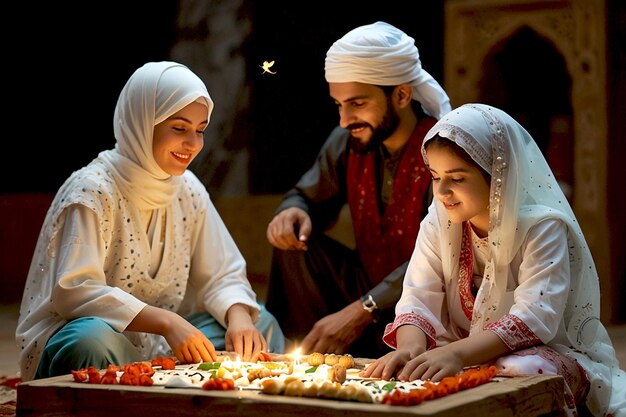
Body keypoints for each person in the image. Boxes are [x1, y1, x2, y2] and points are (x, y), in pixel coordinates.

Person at [15, 61, 285, 381]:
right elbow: (75, 291)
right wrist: (167, 322)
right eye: (180, 128)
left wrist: (239, 316)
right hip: (106, 339)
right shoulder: (92, 190)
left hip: (159, 344)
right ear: (142, 122)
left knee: (257, 326)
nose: (194, 144)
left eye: (200, 130)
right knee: (91, 343)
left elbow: (221, 273)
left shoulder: (187, 189)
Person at [361, 103, 626, 416]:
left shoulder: (541, 228)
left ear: (498, 177)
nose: (442, 192)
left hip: (537, 354)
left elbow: (535, 317)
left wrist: (458, 355)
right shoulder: (438, 222)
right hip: (460, 353)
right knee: (409, 369)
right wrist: (410, 349)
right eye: (435, 177)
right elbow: (418, 297)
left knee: (520, 368)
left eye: (457, 178)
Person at [265, 21, 451, 358]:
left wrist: (364, 309)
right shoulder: (347, 141)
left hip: (427, 301)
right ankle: (302, 361)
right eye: (339, 105)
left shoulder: (442, 153)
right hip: (367, 283)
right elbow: (305, 196)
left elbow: (442, 259)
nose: (344, 119)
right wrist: (293, 212)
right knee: (292, 246)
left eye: (357, 104)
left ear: (402, 95)